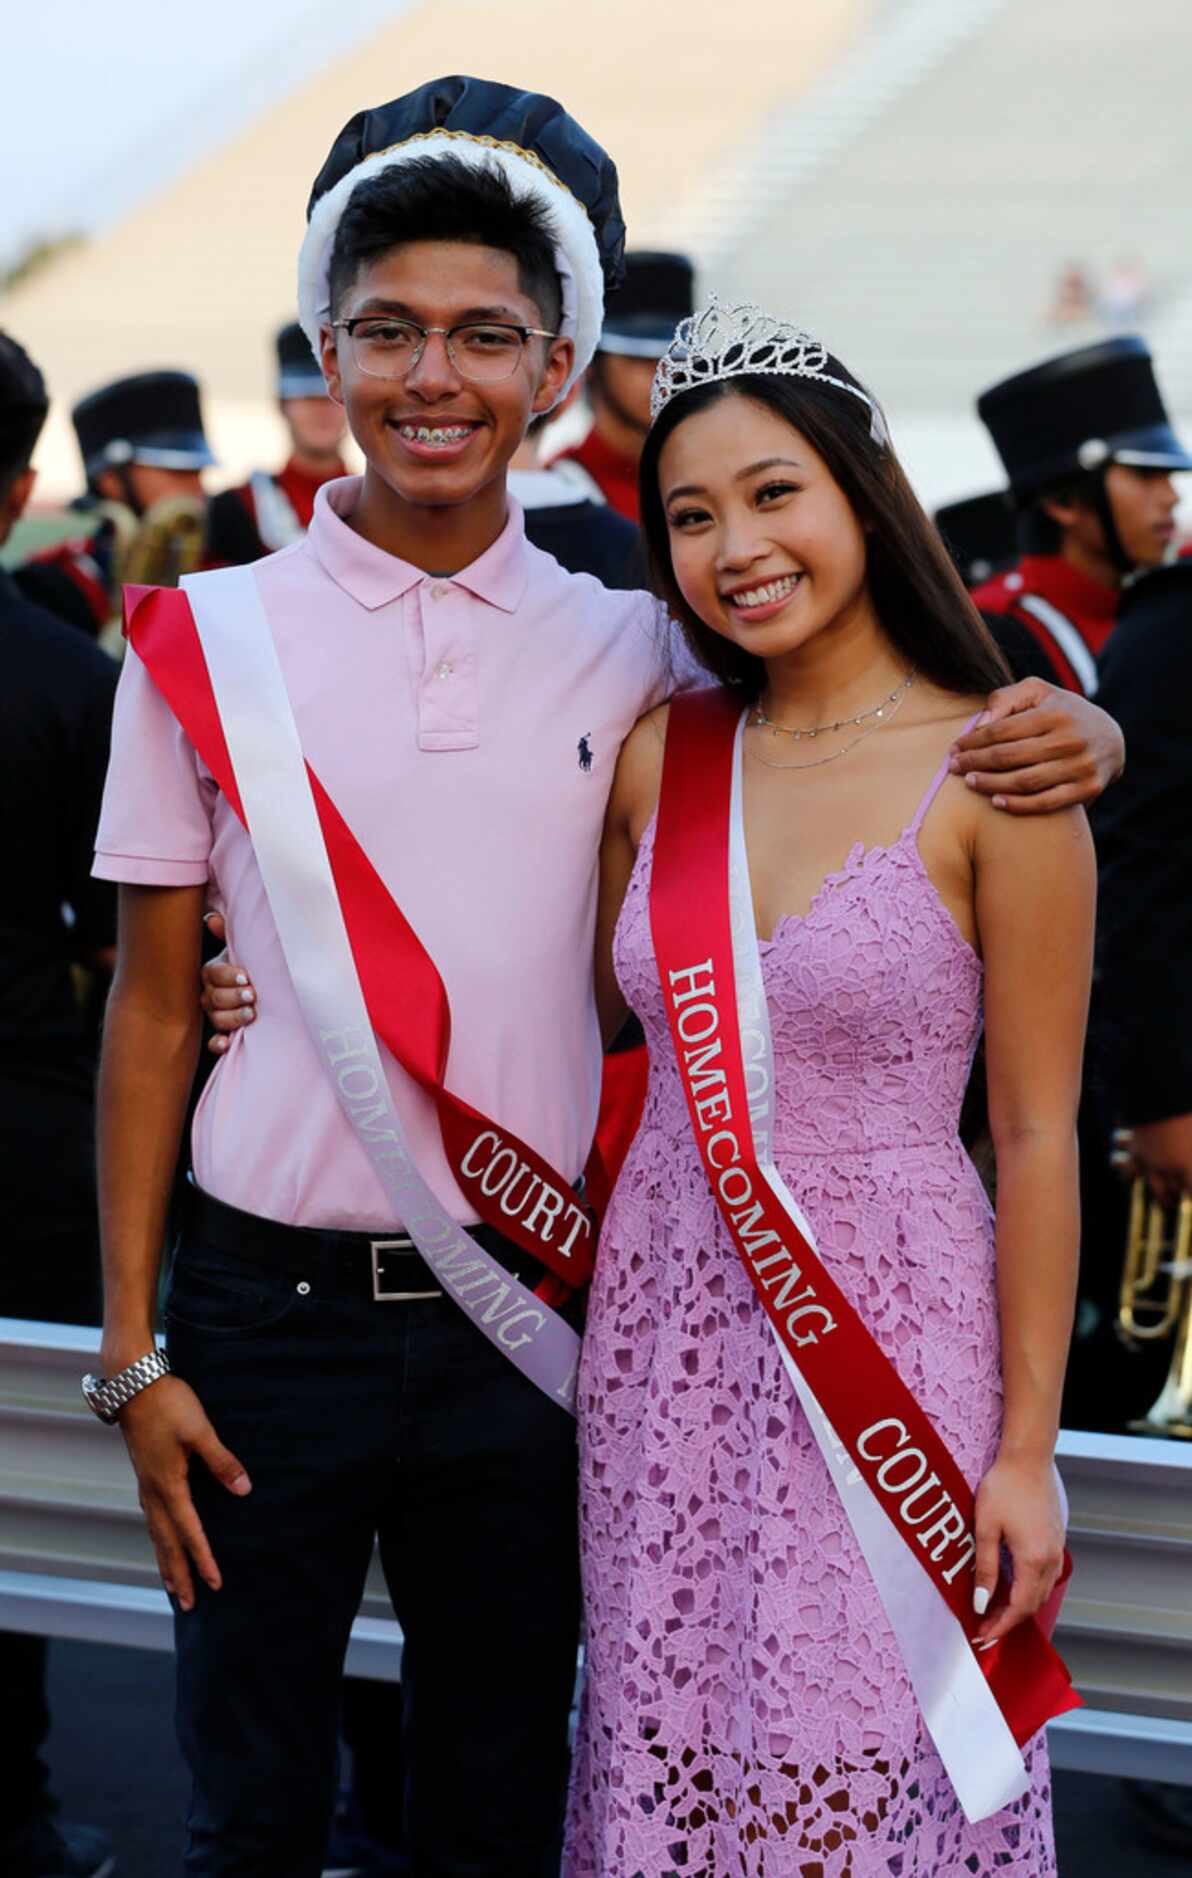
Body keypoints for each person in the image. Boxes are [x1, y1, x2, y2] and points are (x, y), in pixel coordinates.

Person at [96, 73, 1118, 1878]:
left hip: (627, 1321)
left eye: (484, 334)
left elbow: (1012, 1092)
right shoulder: (260, 648)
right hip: (409, 1322)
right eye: (390, 330)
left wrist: (1086, 730)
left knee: (544, 1790)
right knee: (282, 1802)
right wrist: (142, 1321)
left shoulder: (648, 653)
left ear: (553, 363)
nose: (739, 551)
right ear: (327, 345)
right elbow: (196, 996)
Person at [563, 302, 1091, 1874]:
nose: (737, 545)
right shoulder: (667, 751)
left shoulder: (1004, 766)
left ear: (866, 494)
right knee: (674, 1747)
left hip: (894, 1334)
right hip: (663, 1336)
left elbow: (1040, 1130)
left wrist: (1024, 1447)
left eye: (774, 490)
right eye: (693, 515)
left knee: (859, 1763)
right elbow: (588, 1015)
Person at [0, 333, 118, 1878]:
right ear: (23, 489)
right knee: (10, 1502)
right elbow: (130, 942)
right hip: (24, 1140)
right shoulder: (76, 682)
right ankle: (10, 1812)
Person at [971, 336, 1192, 693]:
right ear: (1065, 503)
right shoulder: (993, 638)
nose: (1172, 496)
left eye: (1168, 476)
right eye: (1145, 476)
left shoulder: (1173, 598)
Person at [15, 370, 215, 643]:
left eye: (198, 472)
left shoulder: (221, 570)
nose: (196, 487)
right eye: (175, 471)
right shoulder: (52, 585)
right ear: (112, 479)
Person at [549, 250, 694, 521]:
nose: (666, 373)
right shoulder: (560, 491)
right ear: (591, 366)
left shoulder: (711, 472)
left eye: (678, 358)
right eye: (640, 359)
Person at [205, 324, 349, 564]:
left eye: (333, 398)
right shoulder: (233, 508)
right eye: (306, 397)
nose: (322, 411)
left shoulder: (384, 507)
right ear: (281, 404)